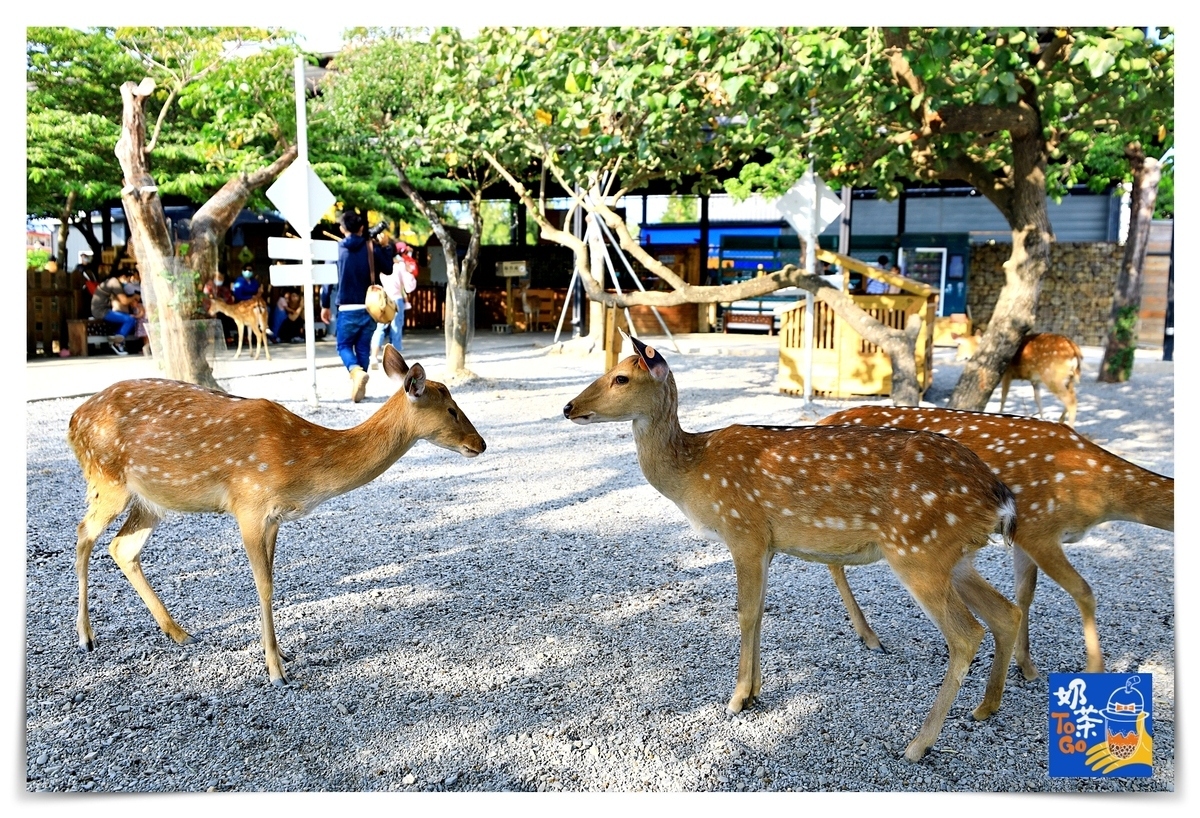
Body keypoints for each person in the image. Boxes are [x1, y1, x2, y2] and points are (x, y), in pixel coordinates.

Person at [321, 211, 382, 402]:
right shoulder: (371, 247)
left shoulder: (337, 250)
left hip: (346, 308)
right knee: (363, 347)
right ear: (362, 228)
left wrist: (324, 304)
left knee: (343, 345)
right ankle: (360, 387)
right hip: (369, 307)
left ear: (342, 229)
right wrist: (386, 247)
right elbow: (388, 267)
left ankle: (355, 372)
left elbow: (326, 282)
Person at [370, 247, 410, 367]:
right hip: (396, 298)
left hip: (382, 298)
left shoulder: (379, 264)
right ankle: (395, 359)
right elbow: (407, 284)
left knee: (380, 328)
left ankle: (374, 356)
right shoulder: (399, 266)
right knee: (396, 328)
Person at [90, 271, 137, 355]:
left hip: (103, 310)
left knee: (127, 317)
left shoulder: (110, 281)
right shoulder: (115, 283)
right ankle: (117, 343)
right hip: (101, 312)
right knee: (130, 319)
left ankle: (117, 338)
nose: (129, 281)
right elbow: (124, 301)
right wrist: (135, 297)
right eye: (128, 279)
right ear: (123, 276)